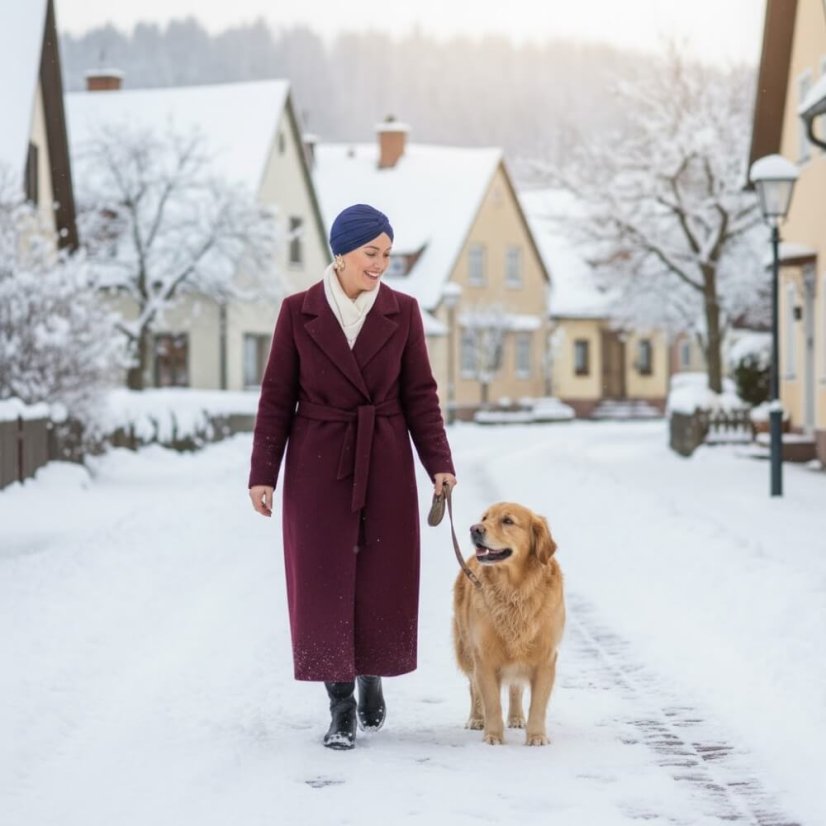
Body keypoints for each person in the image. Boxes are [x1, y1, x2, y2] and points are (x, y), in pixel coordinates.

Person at [248, 203, 457, 750]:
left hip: (384, 456)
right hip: (318, 459)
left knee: (381, 576)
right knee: (322, 581)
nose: (381, 263)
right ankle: (339, 703)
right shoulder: (298, 312)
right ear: (341, 252)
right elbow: (276, 397)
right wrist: (262, 473)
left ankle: (372, 673)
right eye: (372, 253)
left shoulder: (404, 311)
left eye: (387, 254)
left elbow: (420, 395)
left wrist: (438, 463)